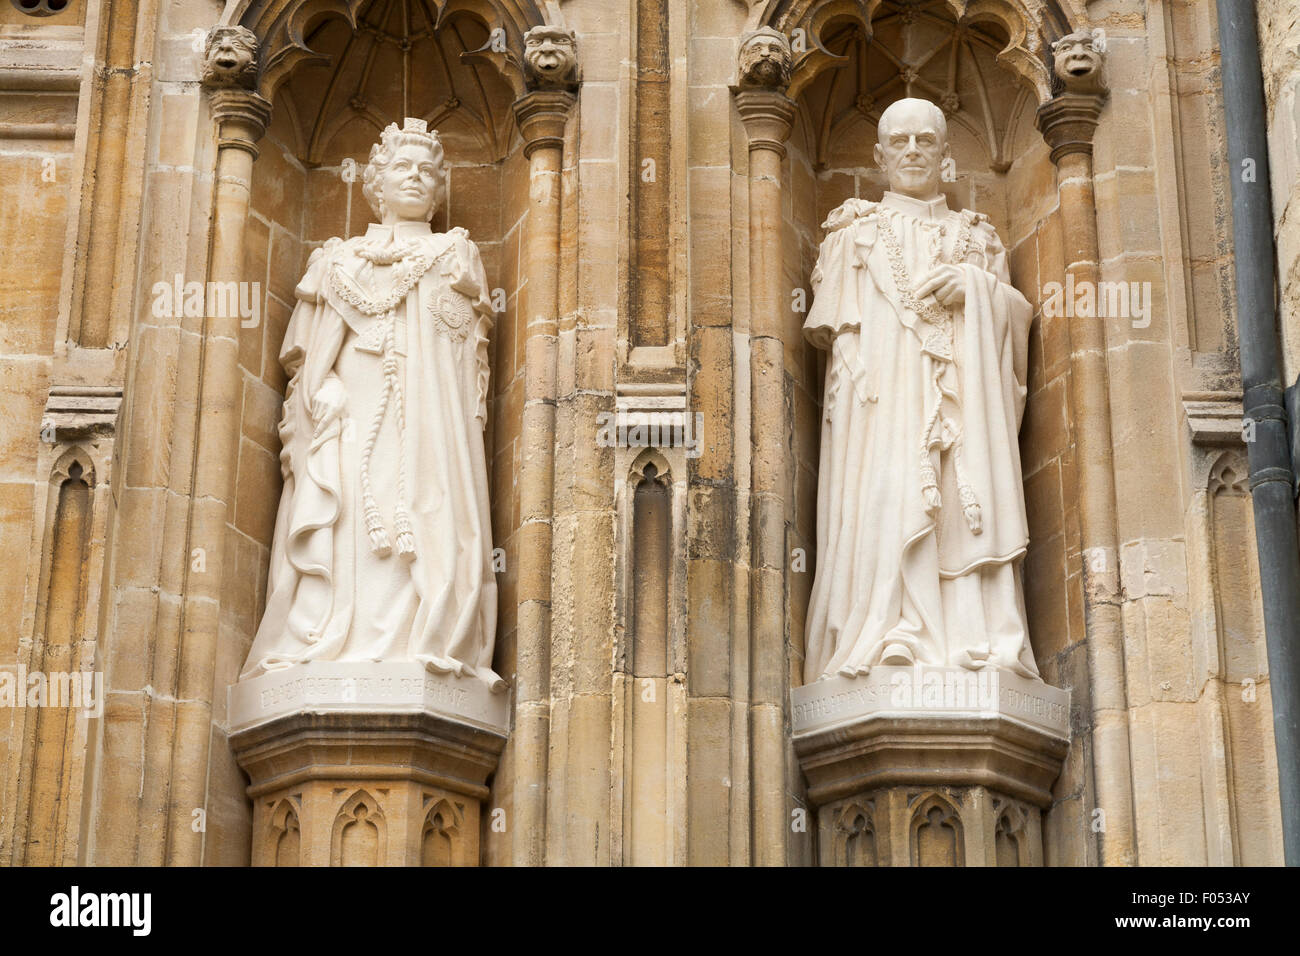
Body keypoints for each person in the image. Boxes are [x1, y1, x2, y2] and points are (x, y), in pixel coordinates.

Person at [241, 117, 504, 690]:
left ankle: (425, 637)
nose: (415, 178)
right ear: (376, 185)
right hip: (352, 415)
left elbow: (464, 360)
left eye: (427, 172)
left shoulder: (454, 256)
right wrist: (323, 389)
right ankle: (328, 639)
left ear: (438, 192)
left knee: (425, 508)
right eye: (401, 169)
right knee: (353, 516)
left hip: (429, 421)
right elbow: (307, 355)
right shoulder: (337, 262)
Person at [803, 97, 1039, 683]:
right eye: (900, 142)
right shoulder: (852, 236)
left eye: (925, 141)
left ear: (946, 156)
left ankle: (972, 637)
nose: (913, 151)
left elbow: (1015, 328)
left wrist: (977, 291)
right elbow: (839, 343)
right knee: (887, 499)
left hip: (966, 401)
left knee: (964, 502)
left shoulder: (978, 241)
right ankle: (887, 631)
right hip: (882, 408)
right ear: (879, 157)